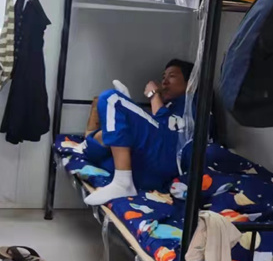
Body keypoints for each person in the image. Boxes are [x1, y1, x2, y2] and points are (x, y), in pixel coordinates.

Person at [82, 58, 194, 206]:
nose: (164, 82)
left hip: (169, 159)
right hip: (151, 174)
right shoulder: (170, 105)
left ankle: (123, 182)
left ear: (190, 82)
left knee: (111, 98)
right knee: (100, 156)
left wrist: (154, 95)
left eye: (172, 76)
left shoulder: (193, 101)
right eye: (163, 77)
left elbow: (167, 128)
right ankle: (118, 127)